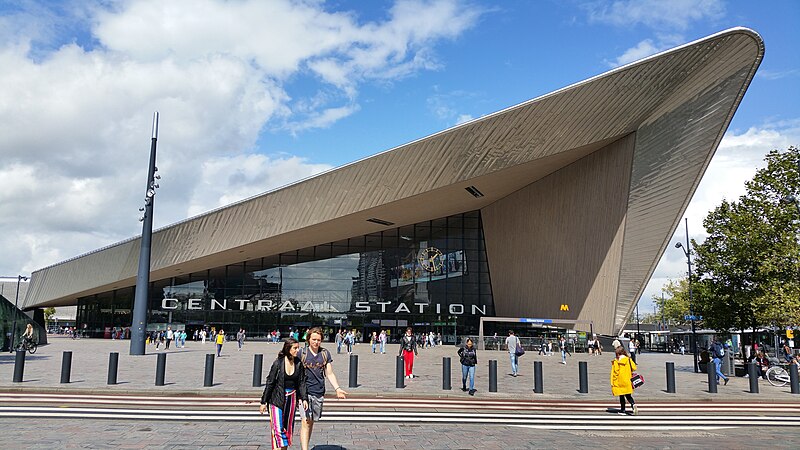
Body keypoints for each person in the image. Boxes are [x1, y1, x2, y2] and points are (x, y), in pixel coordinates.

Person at [299, 327, 347, 450]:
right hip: (304, 392)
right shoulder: (301, 353)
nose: (316, 342)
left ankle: (306, 446)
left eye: (318, 340)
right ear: (308, 339)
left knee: (311, 421)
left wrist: (337, 388)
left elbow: (329, 373)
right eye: (314, 339)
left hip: (318, 391)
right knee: (306, 421)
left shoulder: (325, 354)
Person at [259, 338, 308, 450]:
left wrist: (304, 398)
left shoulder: (298, 363)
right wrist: (263, 402)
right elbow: (270, 382)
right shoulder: (278, 363)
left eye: (298, 347)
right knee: (277, 428)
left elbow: (301, 382)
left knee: (287, 428)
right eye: (295, 348)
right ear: (288, 349)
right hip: (276, 398)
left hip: (292, 398)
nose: (297, 350)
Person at [610, 346, 638, 415]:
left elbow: (616, 372)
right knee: (628, 395)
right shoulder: (628, 359)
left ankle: (623, 410)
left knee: (621, 396)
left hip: (620, 380)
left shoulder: (617, 361)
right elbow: (634, 367)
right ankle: (633, 404)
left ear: (618, 353)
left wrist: (613, 381)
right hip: (627, 380)